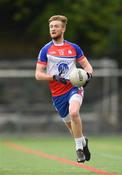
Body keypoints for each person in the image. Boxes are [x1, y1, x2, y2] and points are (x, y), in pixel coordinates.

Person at [35, 15, 93, 163]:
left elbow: (87, 66)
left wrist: (88, 75)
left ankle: (78, 148)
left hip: (74, 88)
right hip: (57, 94)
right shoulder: (45, 50)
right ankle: (83, 141)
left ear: (63, 28)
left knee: (74, 112)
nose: (53, 29)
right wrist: (54, 77)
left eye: (56, 26)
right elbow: (38, 74)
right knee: (71, 128)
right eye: (51, 27)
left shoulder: (74, 47)